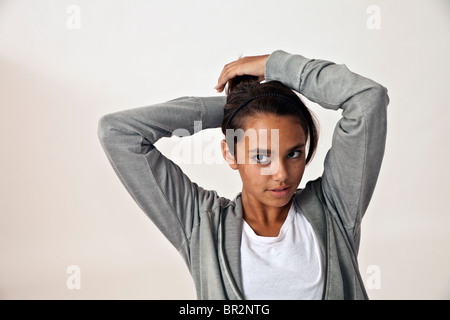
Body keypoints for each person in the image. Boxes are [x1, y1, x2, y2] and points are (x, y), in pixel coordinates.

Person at [97, 50, 389, 300]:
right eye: (261, 156)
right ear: (230, 154)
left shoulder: (334, 210)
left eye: (294, 153)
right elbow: (118, 132)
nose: (281, 174)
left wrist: (274, 65)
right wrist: (237, 108)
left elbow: (367, 99)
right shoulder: (201, 224)